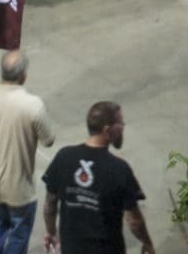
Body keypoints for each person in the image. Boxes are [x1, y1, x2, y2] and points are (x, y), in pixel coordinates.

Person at [0, 50, 56, 254]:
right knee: (18, 235)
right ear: (24, 75)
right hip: (19, 188)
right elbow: (49, 140)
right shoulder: (32, 105)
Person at [42, 101, 156, 254]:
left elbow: (50, 203)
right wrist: (147, 243)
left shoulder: (64, 157)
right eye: (120, 123)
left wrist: (51, 232)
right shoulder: (119, 169)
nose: (123, 126)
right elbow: (134, 221)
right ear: (107, 130)